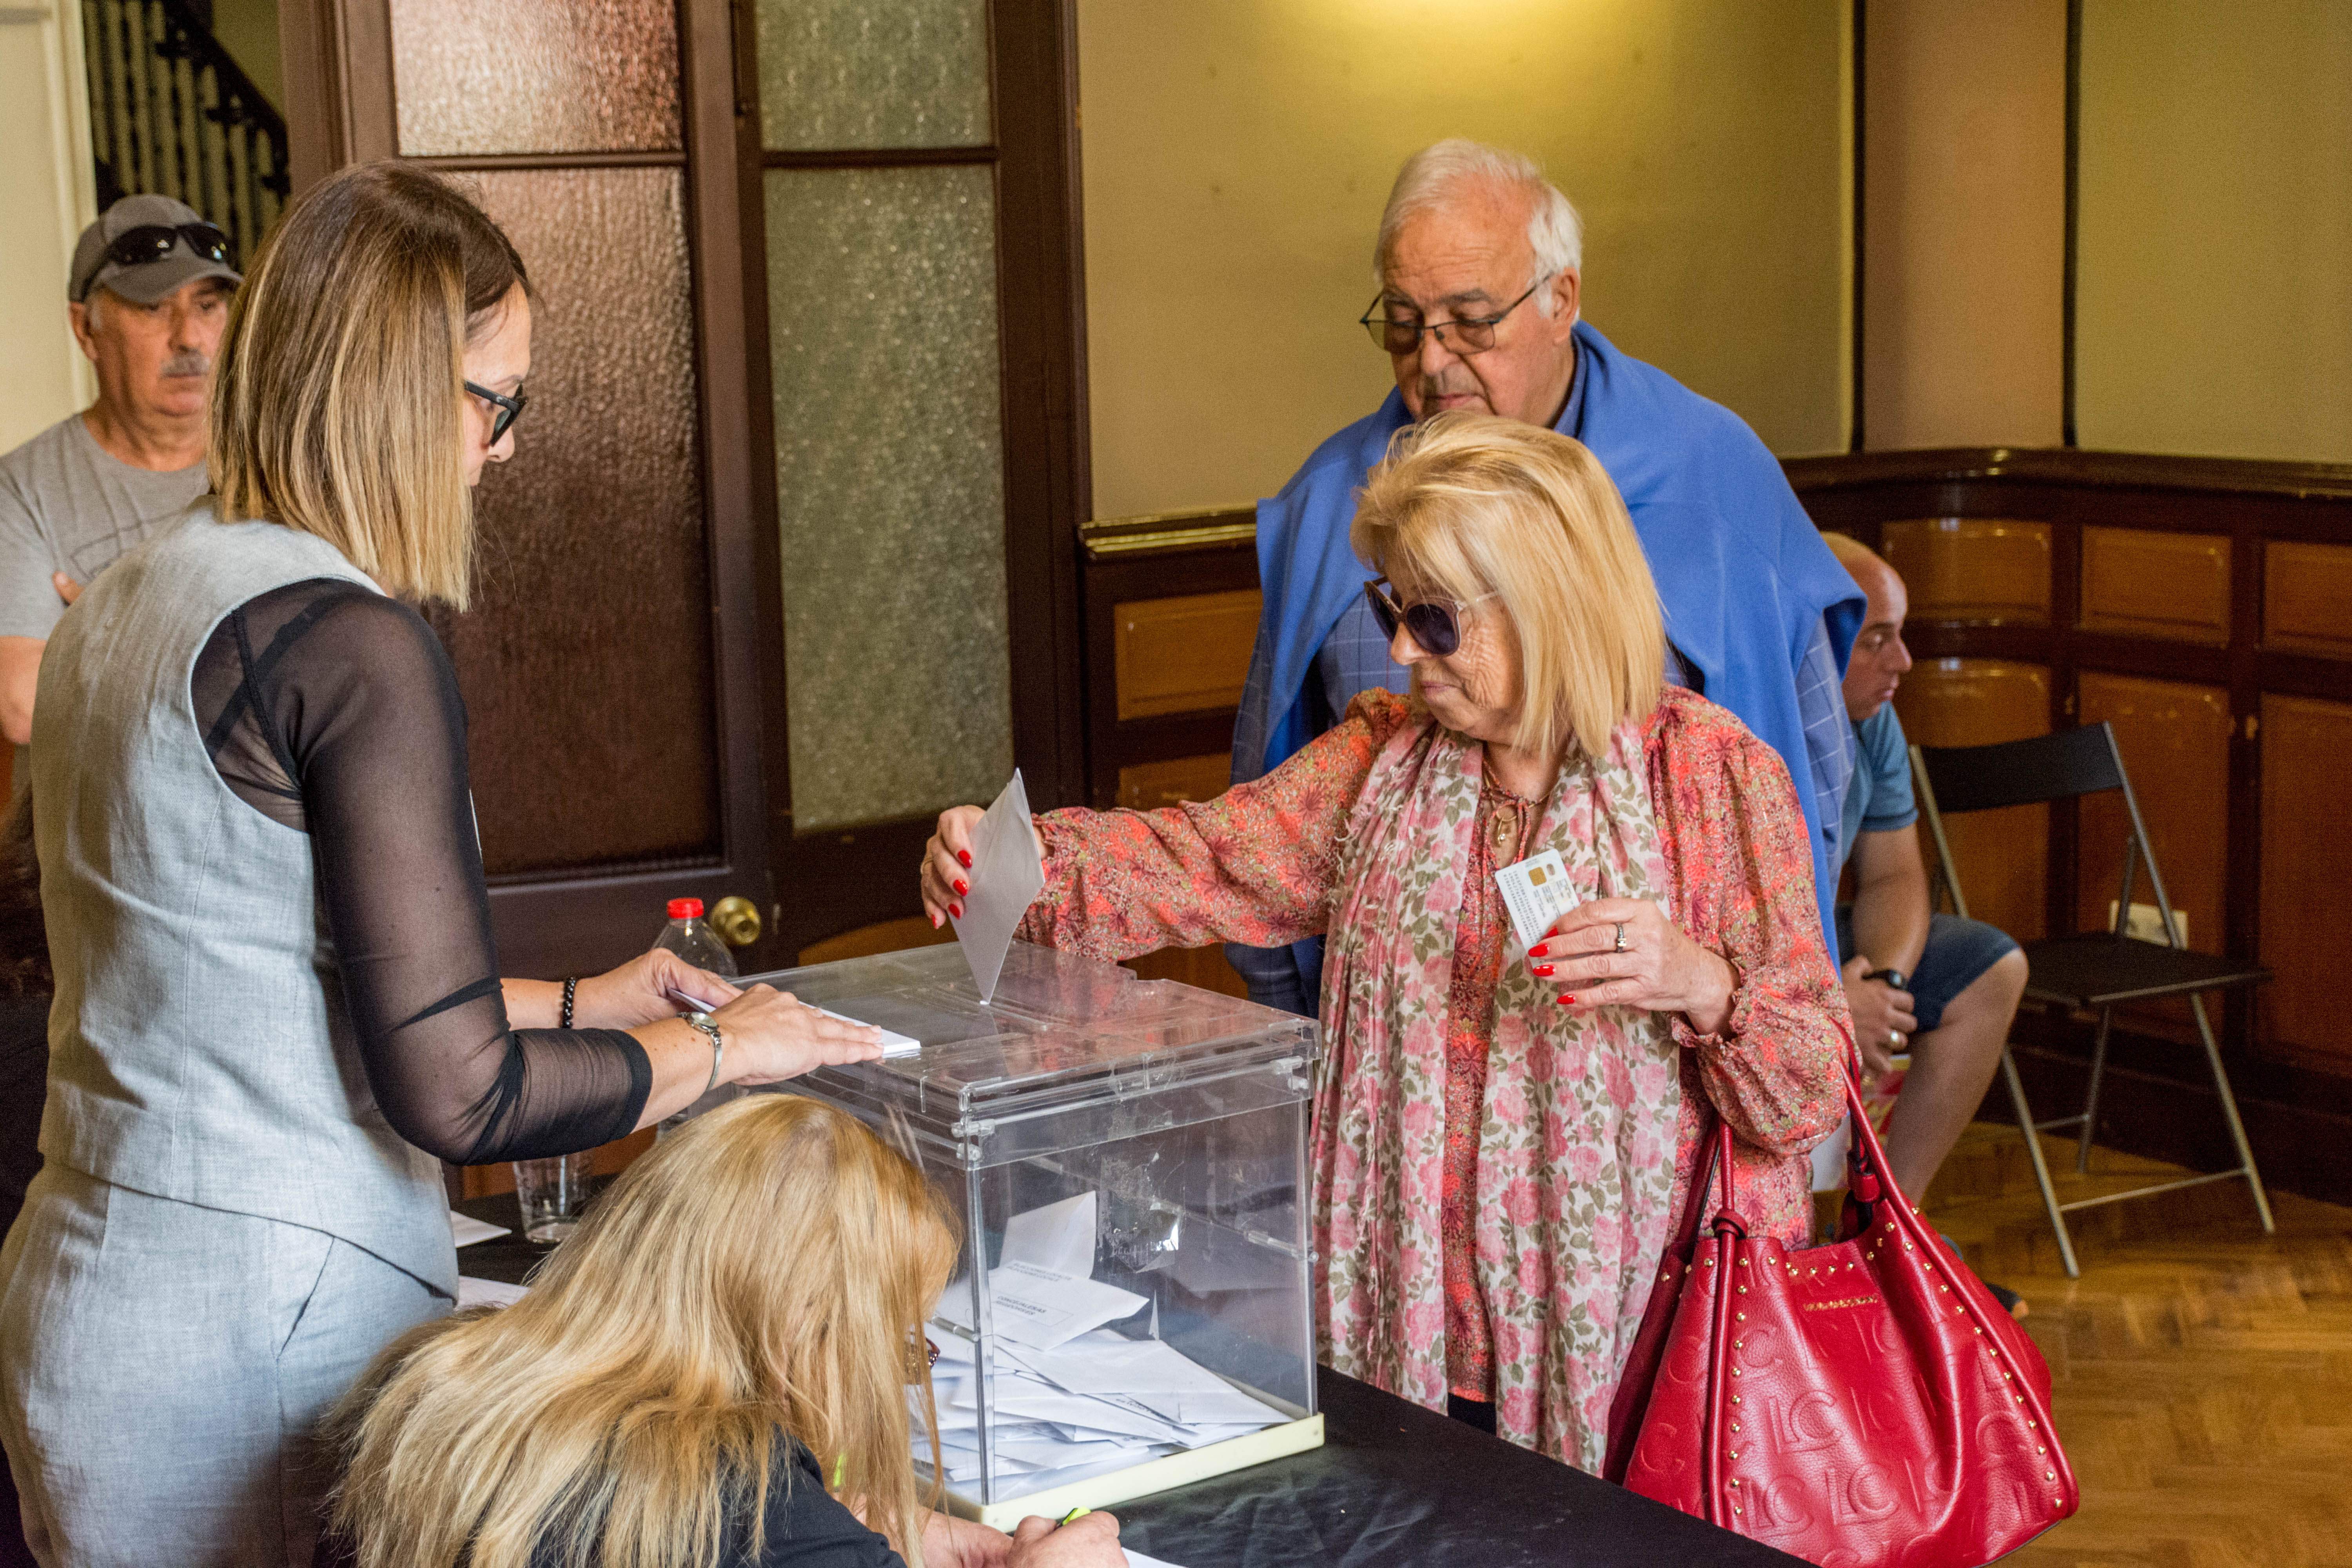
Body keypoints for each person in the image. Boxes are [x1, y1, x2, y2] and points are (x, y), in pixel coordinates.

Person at [0, 163, 889, 1568]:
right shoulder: (344, 640)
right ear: (397, 390)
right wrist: (726, 1054)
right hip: (254, 1333)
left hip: (87, 1295)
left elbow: (235, 970)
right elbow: (457, 1093)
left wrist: (592, 1003)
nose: (507, 447)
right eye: (499, 401)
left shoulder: (127, 596)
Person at [923, 416, 1845, 1469]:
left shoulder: (1713, 779)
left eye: (1436, 621)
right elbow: (1199, 863)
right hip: (1406, 1343)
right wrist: (1000, 862)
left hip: (1654, 1363)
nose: (1404, 647)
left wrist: (1703, 983)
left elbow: (1809, 1089)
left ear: (1550, 605)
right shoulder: (1382, 763)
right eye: (1391, 608)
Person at [1227, 140, 1864, 1017]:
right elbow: (1260, 816)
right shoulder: (1328, 506)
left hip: (1658, 1052)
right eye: (1406, 323)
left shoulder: (1713, 477)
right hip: (1404, 1055)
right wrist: (1296, 1047)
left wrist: (1739, 999)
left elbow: (1822, 778)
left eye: (1471, 320)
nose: (1435, 361)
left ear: (1561, 297)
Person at [327, 1094, 1127, 1568]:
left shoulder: (433, 1381)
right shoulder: (764, 1517)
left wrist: (866, 1526)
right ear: (804, 1328)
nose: (897, 1373)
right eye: (895, 1342)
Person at [0, 194, 242, 776]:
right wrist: (228, 648)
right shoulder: (23, 487)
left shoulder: (283, 464)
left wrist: (113, 627)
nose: (190, 339)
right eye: (155, 308)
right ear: (86, 328)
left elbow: (329, 669)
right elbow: (23, 705)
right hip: (100, 843)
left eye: (208, 306)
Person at [1820, 534, 2027, 1205]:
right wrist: (1828, 1003)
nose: (1903, 662)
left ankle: (1887, 1230)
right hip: (1746, 959)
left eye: (1900, 635)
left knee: (1992, 967)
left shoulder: (1872, 720)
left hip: (1829, 946)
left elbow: (1894, 878)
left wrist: (1884, 987)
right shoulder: (1744, 720)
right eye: (1877, 639)